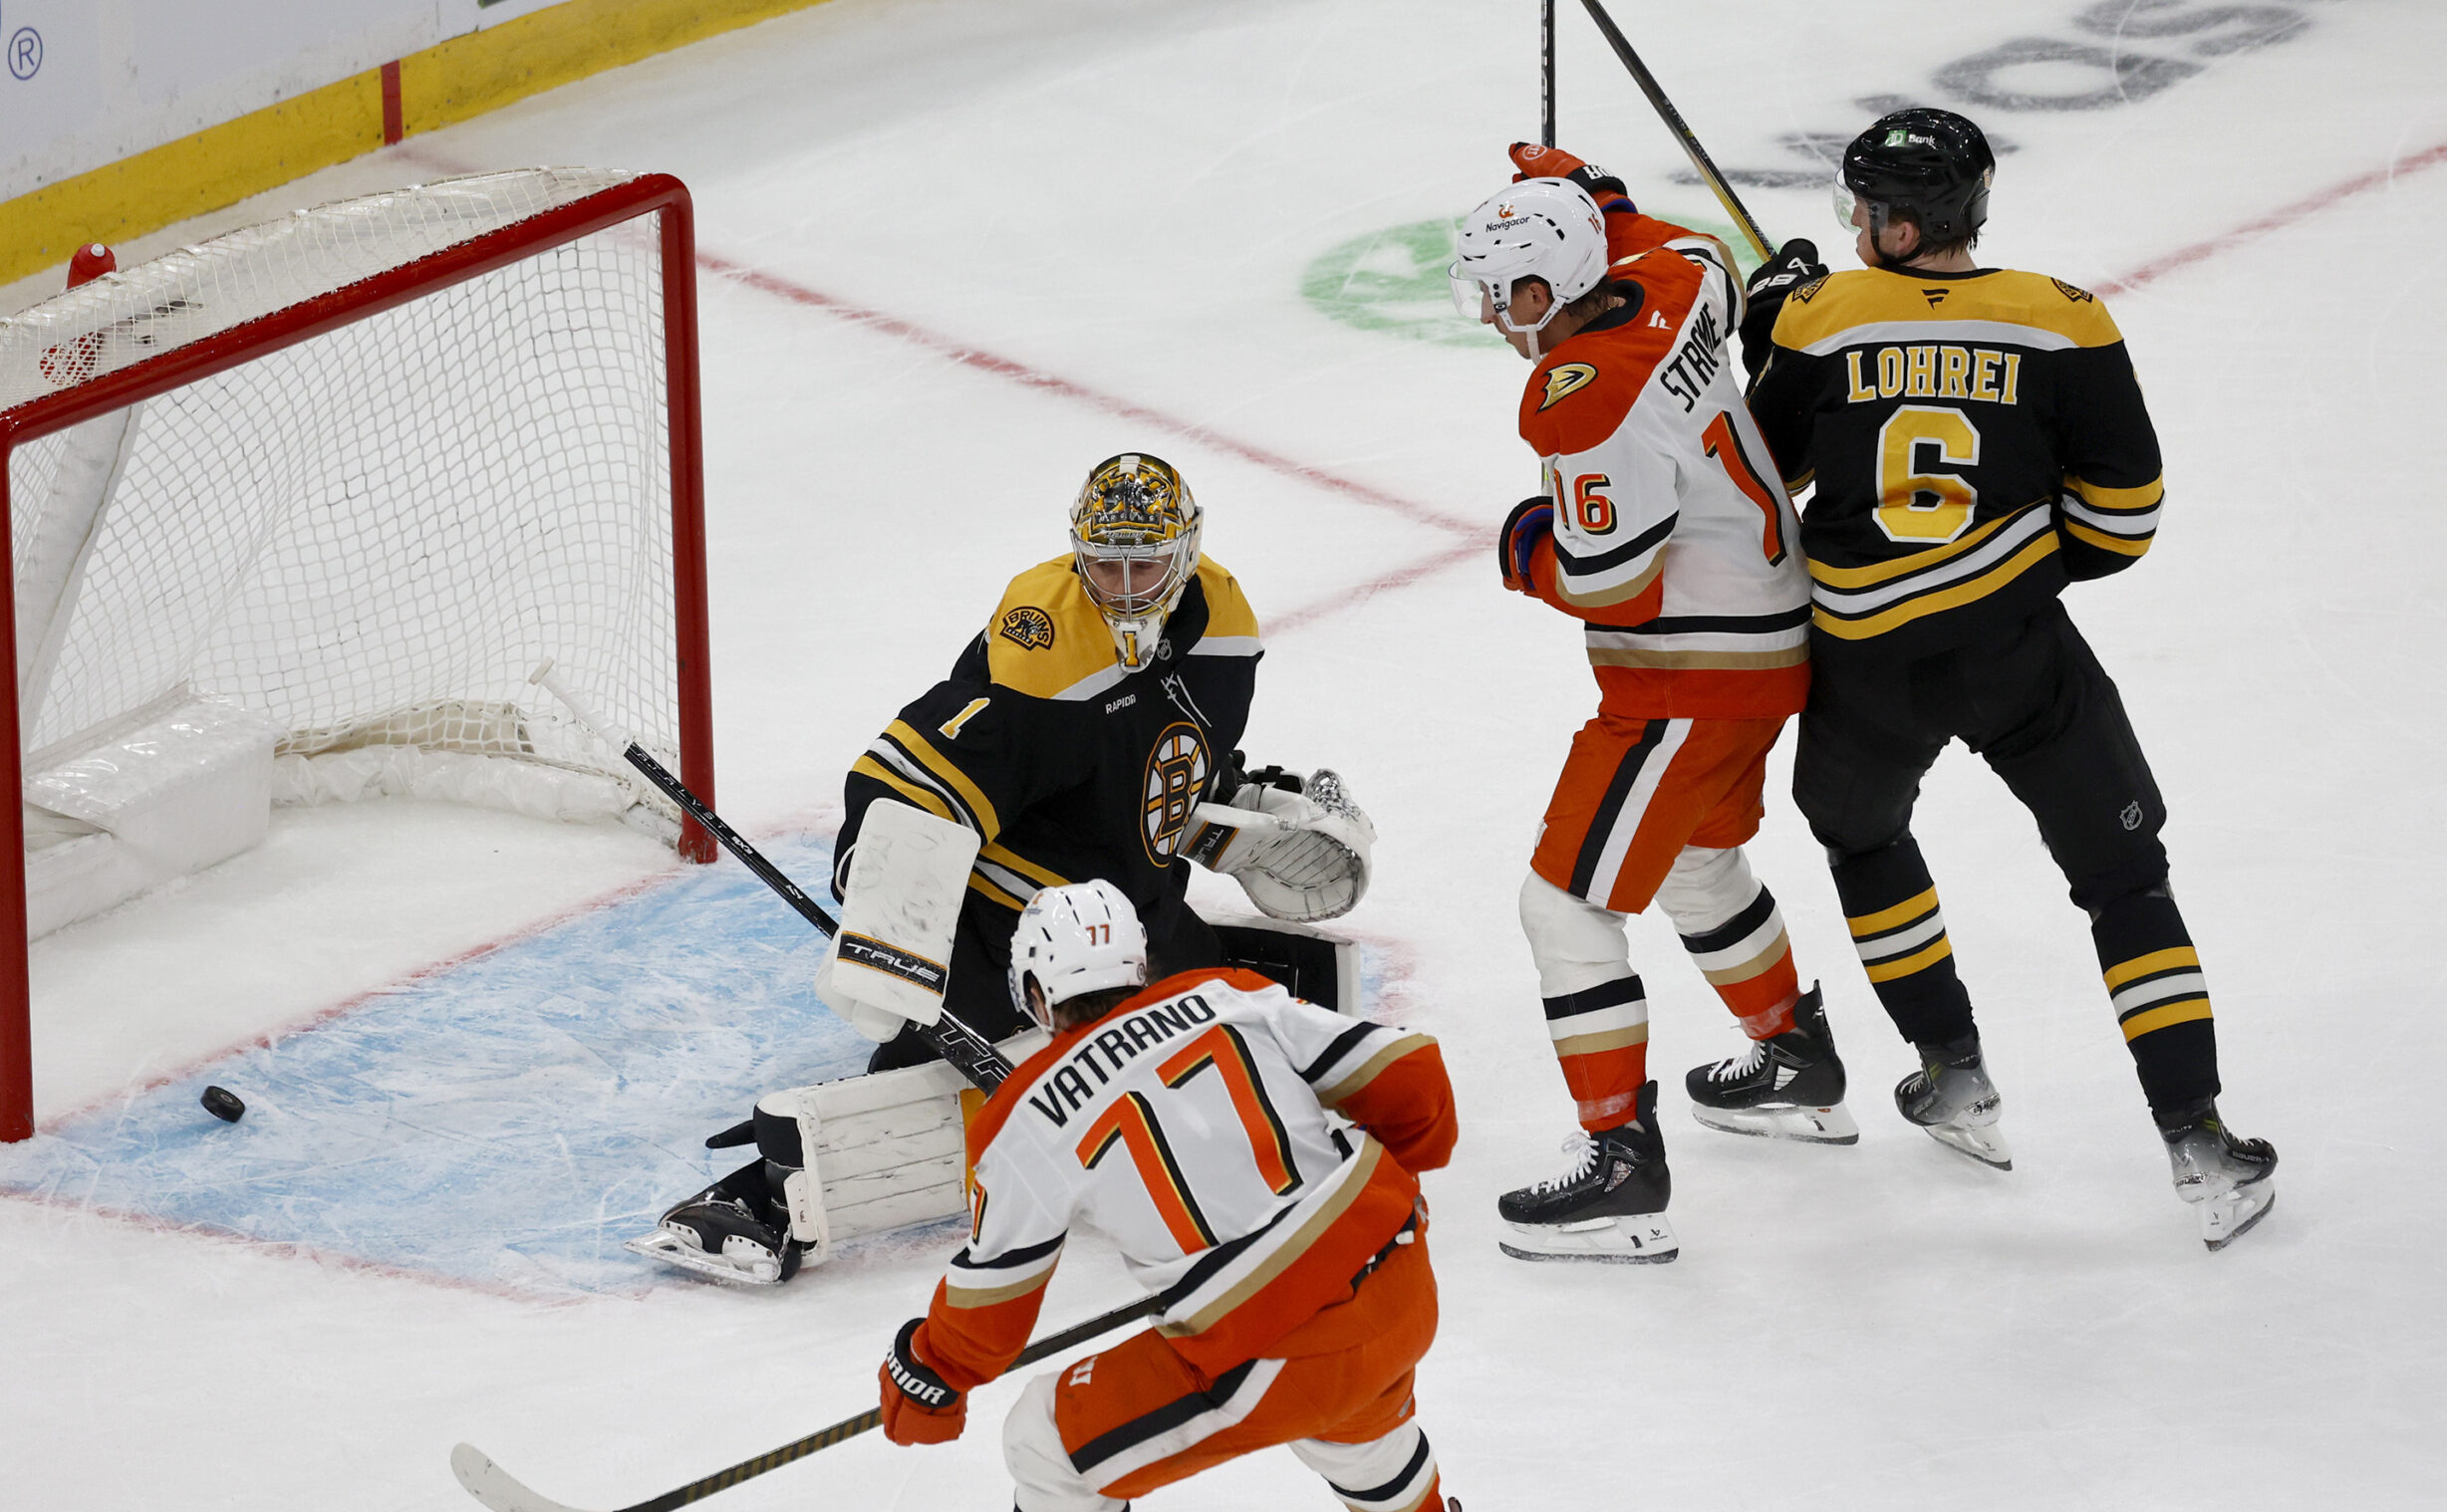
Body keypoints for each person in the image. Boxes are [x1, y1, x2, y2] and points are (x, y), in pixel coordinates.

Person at [636, 453, 1378, 1285]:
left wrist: (1238, 802)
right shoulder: (1047, 645)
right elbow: (909, 780)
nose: (1126, 585)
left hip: (1133, 912)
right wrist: (887, 906)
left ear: (1189, 552)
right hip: (1011, 933)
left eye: (1146, 562)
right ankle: (772, 1190)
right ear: (1076, 552)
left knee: (1211, 1060)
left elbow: (1157, 758)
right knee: (1063, 1090)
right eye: (1105, 562)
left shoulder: (1225, 626)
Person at [1741, 108, 2276, 1248]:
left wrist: (1765, 339)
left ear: (1892, 222)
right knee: (2125, 880)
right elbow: (2124, 516)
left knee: (1863, 842)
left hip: (1862, 665)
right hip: (2019, 657)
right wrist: (2016, 572)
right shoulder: (2061, 317)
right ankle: (2197, 1137)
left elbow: (1760, 477)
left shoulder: (1819, 316)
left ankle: (1950, 1075)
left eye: (1861, 213)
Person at [876, 880, 1495, 1512]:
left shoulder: (1023, 1118)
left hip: (1276, 1350)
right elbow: (1414, 1074)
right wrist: (1377, 1183)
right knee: (1352, 1399)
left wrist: (929, 1370)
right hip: (1403, 1285)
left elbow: (990, 1309)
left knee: (1047, 1438)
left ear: (1033, 993)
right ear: (1140, 962)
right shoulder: (1229, 994)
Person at [1450, 144, 1853, 1267]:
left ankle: (1620, 1165)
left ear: (1550, 287)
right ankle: (1794, 1062)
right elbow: (1682, 250)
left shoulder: (1584, 401)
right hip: (1766, 641)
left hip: (1685, 674)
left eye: (1505, 292)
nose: (1490, 313)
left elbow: (1613, 580)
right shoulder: (1679, 274)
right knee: (1694, 866)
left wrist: (1523, 547)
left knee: (1563, 907)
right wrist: (1593, 191)